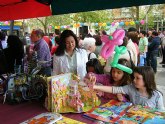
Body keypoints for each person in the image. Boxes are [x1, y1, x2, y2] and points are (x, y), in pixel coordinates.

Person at [90, 66, 164, 111]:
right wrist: (95, 86)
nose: (134, 80)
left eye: (137, 78)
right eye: (134, 77)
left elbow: (161, 114)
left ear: (147, 79)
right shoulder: (131, 88)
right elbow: (114, 89)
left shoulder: (157, 96)